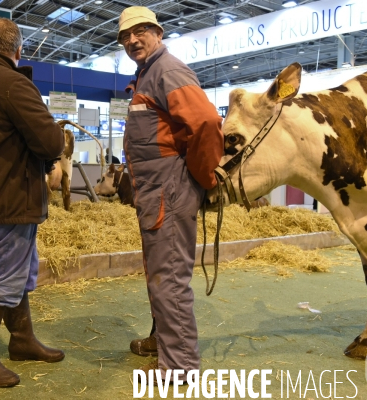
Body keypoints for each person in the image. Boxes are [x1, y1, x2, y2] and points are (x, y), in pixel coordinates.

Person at [0, 18, 65, 388]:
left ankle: (21, 340)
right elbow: (50, 143)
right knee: (4, 279)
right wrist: (57, 132)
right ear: (18, 50)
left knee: (16, 273)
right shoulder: (12, 83)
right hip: (7, 198)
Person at [117, 6, 224, 377]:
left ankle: (180, 366)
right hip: (156, 192)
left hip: (169, 190)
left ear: (158, 33)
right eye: (125, 37)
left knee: (170, 278)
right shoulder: (146, 74)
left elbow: (208, 122)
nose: (132, 40)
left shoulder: (168, 70)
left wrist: (204, 179)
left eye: (140, 31)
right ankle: (163, 340)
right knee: (159, 272)